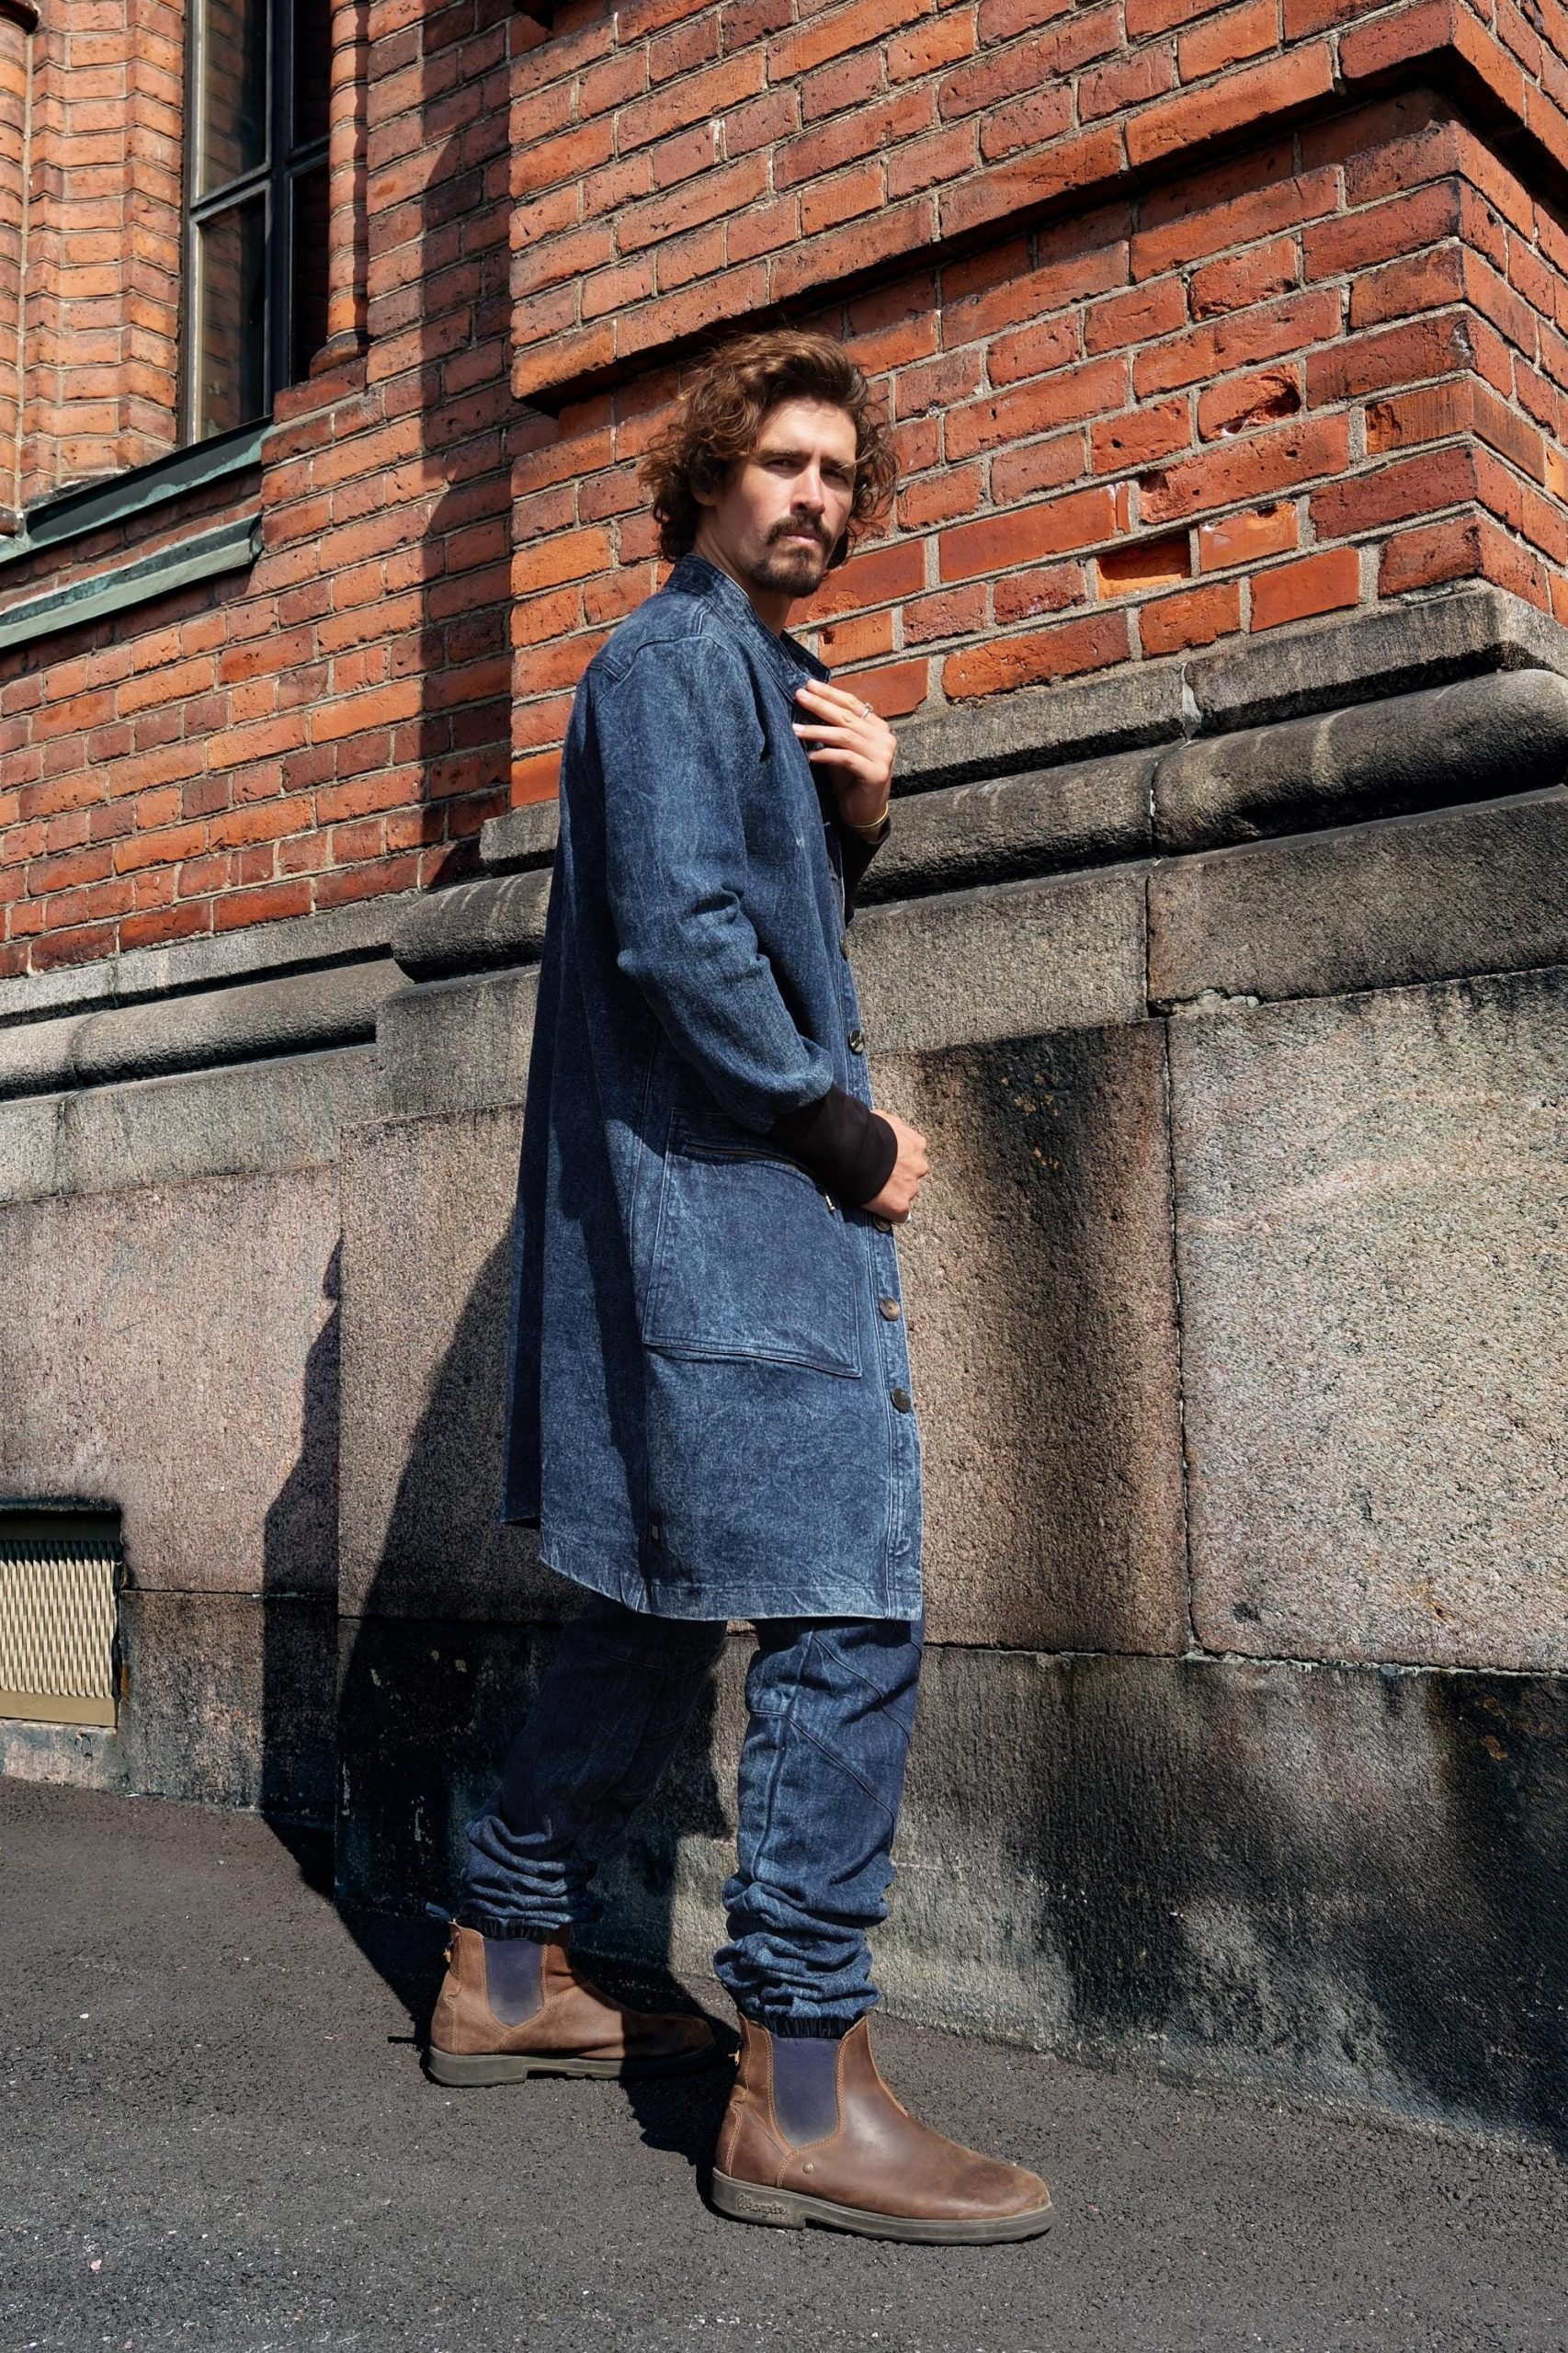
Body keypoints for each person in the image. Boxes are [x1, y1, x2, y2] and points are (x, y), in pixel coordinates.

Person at [426, 328, 1052, 2245]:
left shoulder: (767, 683)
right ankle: (800, 2087)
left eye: (840, 476)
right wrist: (843, 1135)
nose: (815, 496)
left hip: (706, 1203)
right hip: (733, 1205)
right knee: (848, 1595)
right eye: (783, 461)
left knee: (653, 1597)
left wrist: (856, 813)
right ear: (707, 473)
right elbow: (687, 945)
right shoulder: (673, 661)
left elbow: (751, 927)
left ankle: (506, 1965)